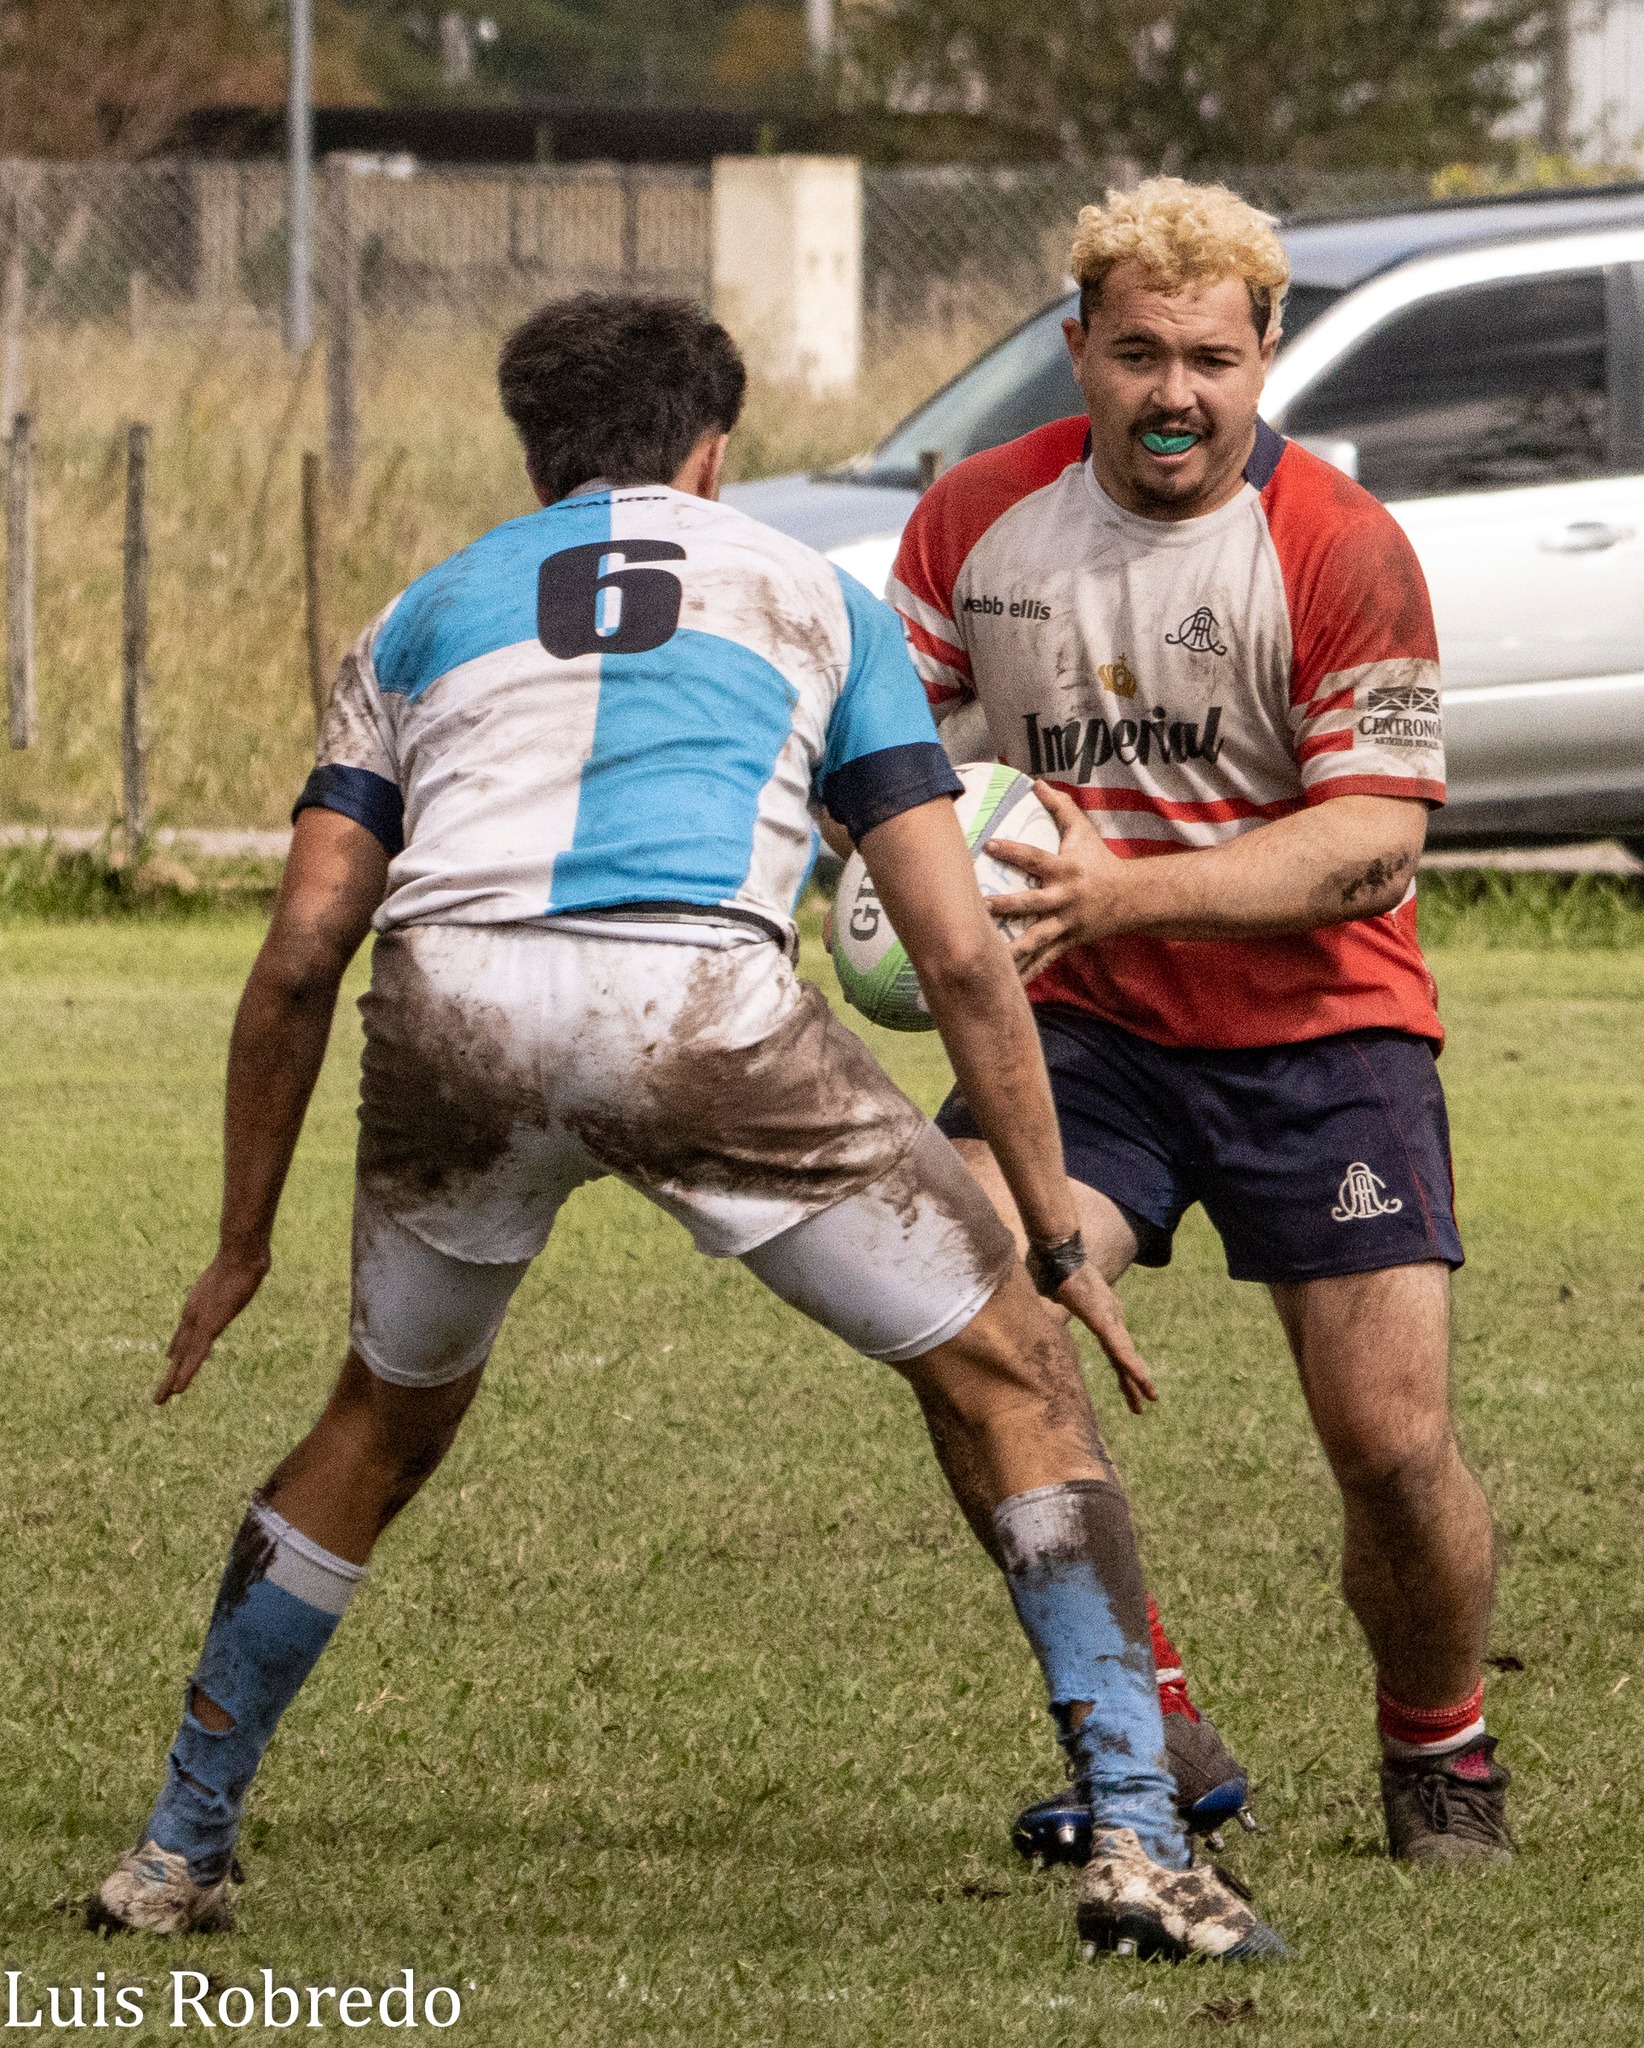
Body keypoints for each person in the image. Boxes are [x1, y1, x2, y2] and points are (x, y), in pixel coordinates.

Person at [89, 294, 1284, 1961]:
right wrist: (1053, 1224)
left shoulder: (420, 614)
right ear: (712, 454)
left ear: (540, 452)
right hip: (695, 1009)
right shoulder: (811, 594)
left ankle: (173, 1852)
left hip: (455, 1012)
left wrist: (239, 1244)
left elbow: (302, 955)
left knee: (379, 1423)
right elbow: (956, 948)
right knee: (1011, 1369)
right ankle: (1144, 1855)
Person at [888, 179, 1510, 1867]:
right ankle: (1140, 1715)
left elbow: (1374, 840)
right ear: (1077, 348)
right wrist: (883, 882)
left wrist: (1125, 892)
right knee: (969, 1302)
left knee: (1389, 1448)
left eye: (1214, 359)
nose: (1178, 392)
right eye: (1141, 351)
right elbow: (895, 761)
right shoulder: (970, 524)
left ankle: (1440, 1746)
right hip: (1078, 1035)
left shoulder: (1340, 546)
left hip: (1326, 1033)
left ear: (1266, 361)